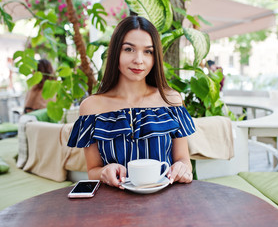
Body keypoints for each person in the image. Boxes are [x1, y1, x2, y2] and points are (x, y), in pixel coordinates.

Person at [67, 16, 196, 189]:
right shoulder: (91, 107)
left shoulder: (171, 100)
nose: (139, 60)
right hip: (115, 204)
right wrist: (105, 171)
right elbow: (93, 170)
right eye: (129, 49)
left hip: (166, 203)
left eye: (148, 51)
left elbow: (183, 160)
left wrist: (182, 168)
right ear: (115, 53)